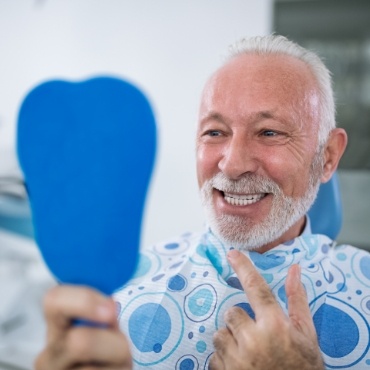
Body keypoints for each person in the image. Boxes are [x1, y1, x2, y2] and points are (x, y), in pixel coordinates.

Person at [35, 35, 370, 370]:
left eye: (269, 132)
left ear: (327, 156)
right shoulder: (117, 296)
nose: (233, 164)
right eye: (215, 132)